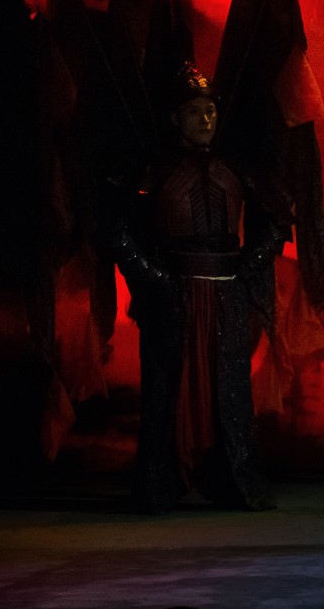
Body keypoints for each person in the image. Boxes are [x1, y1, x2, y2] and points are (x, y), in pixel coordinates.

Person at [107, 64, 286, 513]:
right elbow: (116, 228)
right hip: (175, 298)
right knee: (168, 389)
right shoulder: (155, 171)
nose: (205, 120)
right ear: (175, 118)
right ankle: (160, 484)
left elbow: (278, 220)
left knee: (230, 390)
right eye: (193, 112)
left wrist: (247, 268)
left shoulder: (236, 167)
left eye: (210, 111)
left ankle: (232, 481)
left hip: (227, 296)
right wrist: (154, 278)